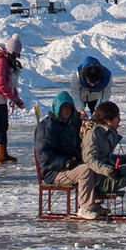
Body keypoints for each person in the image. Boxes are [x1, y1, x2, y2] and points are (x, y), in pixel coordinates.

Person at [35, 91, 102, 219]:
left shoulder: (68, 125)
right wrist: (65, 162)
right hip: (53, 171)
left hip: (69, 166)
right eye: (63, 107)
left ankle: (93, 204)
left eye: (69, 107)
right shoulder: (47, 127)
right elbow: (44, 156)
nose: (66, 111)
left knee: (95, 167)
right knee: (86, 171)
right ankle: (85, 208)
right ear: (57, 108)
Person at [0, 35, 25, 164]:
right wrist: (14, 98)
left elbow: (9, 82)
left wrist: (16, 97)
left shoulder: (5, 60)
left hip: (1, 96)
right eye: (16, 54)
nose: (16, 57)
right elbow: (1, 84)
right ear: (11, 51)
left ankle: (2, 154)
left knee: (4, 125)